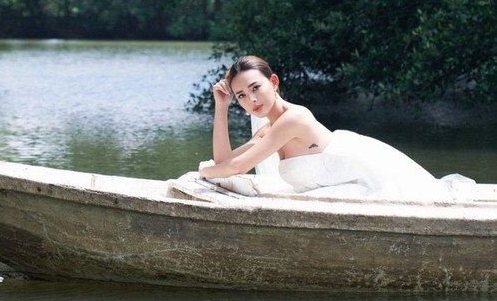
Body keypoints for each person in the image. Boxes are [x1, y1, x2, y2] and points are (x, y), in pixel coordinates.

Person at [198, 55, 469, 200]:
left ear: (274, 82)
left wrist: (201, 172)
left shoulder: (294, 119)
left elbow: (234, 169)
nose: (251, 100)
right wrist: (221, 107)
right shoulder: (267, 130)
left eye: (256, 87)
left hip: (372, 174)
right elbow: (225, 161)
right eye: (242, 96)